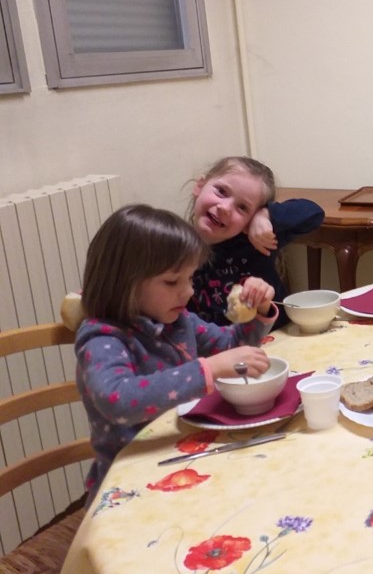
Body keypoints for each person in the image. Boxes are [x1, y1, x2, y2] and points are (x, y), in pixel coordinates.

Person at [75, 205, 278, 504]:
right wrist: (207, 370)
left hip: (186, 457)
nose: (188, 292)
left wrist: (259, 311)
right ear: (123, 282)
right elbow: (117, 399)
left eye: (190, 278)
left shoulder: (178, 321)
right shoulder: (102, 337)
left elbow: (230, 348)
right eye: (172, 281)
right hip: (130, 482)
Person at [187, 156, 324, 330]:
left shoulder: (256, 241)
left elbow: (313, 213)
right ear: (199, 186)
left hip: (275, 338)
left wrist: (266, 215)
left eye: (242, 208)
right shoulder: (175, 248)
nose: (225, 208)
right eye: (221, 191)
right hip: (215, 350)